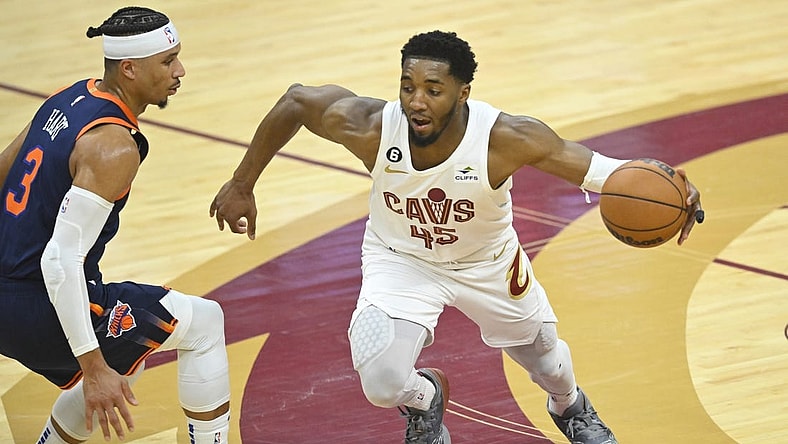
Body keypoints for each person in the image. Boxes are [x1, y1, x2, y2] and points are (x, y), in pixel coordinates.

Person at [210, 30, 703, 444]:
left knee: (546, 360)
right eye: (407, 86)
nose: (416, 101)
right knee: (381, 383)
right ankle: (426, 400)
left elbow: (598, 170)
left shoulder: (507, 138)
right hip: (400, 259)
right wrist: (241, 182)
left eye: (432, 89)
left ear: (463, 92)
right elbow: (296, 100)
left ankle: (571, 408)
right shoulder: (369, 127)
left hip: (486, 263)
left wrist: (672, 189)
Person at [0, 7, 231, 444]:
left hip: (7, 292)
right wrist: (93, 368)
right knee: (204, 323)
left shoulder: (65, 98)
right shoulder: (113, 146)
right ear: (129, 68)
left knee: (130, 351)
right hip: (36, 302)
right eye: (167, 61)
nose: (179, 71)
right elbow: (60, 261)